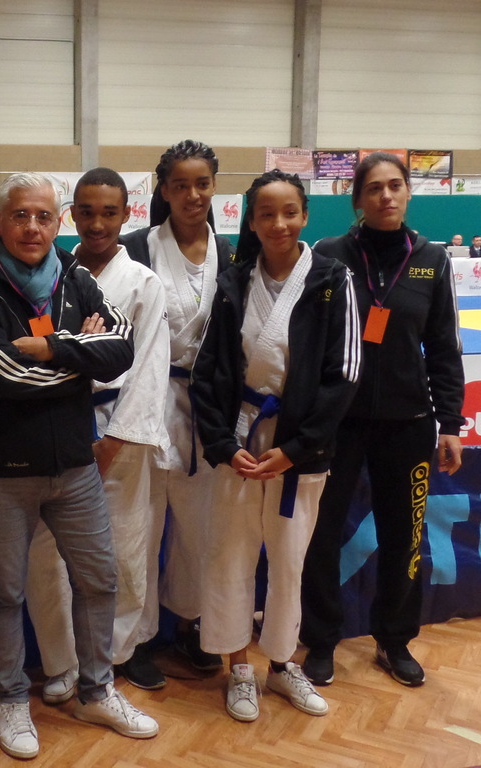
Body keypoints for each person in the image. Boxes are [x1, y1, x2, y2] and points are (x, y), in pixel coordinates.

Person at [0, 172, 157, 761]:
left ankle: (96, 690)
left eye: (44, 216)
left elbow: (121, 348)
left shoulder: (75, 275)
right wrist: (82, 355)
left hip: (75, 467)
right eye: (20, 215)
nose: (32, 227)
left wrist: (54, 347)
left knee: (100, 581)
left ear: (56, 222)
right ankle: (12, 698)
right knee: (6, 591)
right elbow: (3, 376)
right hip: (2, 473)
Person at [190, 169, 361, 722]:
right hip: (241, 438)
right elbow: (208, 370)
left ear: (305, 216)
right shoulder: (234, 281)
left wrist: (299, 447)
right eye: (266, 214)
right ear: (252, 221)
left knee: (290, 561)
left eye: (289, 212)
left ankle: (283, 665)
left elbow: (344, 375)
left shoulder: (332, 279)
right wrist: (222, 444)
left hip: (299, 447)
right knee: (229, 555)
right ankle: (238, 667)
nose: (279, 223)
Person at [300, 152, 465, 688]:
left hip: (407, 423)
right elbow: (310, 341)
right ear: (358, 199)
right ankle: (320, 640)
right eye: (374, 188)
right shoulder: (329, 254)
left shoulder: (432, 260)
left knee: (405, 537)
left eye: (395, 186)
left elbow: (444, 348)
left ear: (408, 193)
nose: (386, 196)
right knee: (321, 534)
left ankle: (394, 640)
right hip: (338, 423)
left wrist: (450, 423)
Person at [24, 167, 171, 699]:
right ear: (71, 216)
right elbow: (36, 350)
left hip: (118, 433)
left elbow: (150, 365)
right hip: (57, 429)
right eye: (85, 212)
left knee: (123, 549)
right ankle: (61, 661)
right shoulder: (49, 275)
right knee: (47, 554)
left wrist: (114, 441)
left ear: (128, 214)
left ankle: (114, 655)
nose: (97, 223)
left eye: (109, 212)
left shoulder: (143, 283)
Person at [119, 139, 233, 675]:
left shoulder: (229, 253)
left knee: (199, 528)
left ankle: (189, 624)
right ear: (163, 191)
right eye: (180, 185)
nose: (192, 195)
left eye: (202, 184)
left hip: (205, 407)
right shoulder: (136, 248)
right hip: (144, 398)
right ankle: (135, 640)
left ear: (214, 187)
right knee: (140, 527)